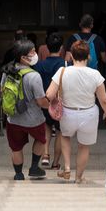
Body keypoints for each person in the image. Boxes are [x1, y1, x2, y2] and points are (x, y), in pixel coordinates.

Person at [45, 39, 106, 183]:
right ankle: (79, 177)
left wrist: (55, 101)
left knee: (65, 137)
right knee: (84, 146)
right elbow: (104, 99)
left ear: (71, 56)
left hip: (68, 112)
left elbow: (49, 94)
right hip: (88, 113)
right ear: (88, 56)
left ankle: (67, 167)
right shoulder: (95, 74)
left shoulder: (62, 71)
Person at [0, 40, 49, 181]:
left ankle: (18, 174)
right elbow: (41, 102)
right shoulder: (34, 76)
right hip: (34, 120)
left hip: (13, 118)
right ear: (23, 57)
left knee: (16, 147)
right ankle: (34, 167)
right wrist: (51, 104)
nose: (35, 54)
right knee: (41, 140)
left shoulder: (7, 72)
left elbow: (2, 93)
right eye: (32, 52)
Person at [34, 32, 67, 169]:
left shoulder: (39, 65)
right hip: (60, 102)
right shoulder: (65, 64)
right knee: (60, 132)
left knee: (46, 127)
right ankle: (55, 163)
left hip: (44, 101)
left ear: (47, 47)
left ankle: (46, 155)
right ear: (61, 48)